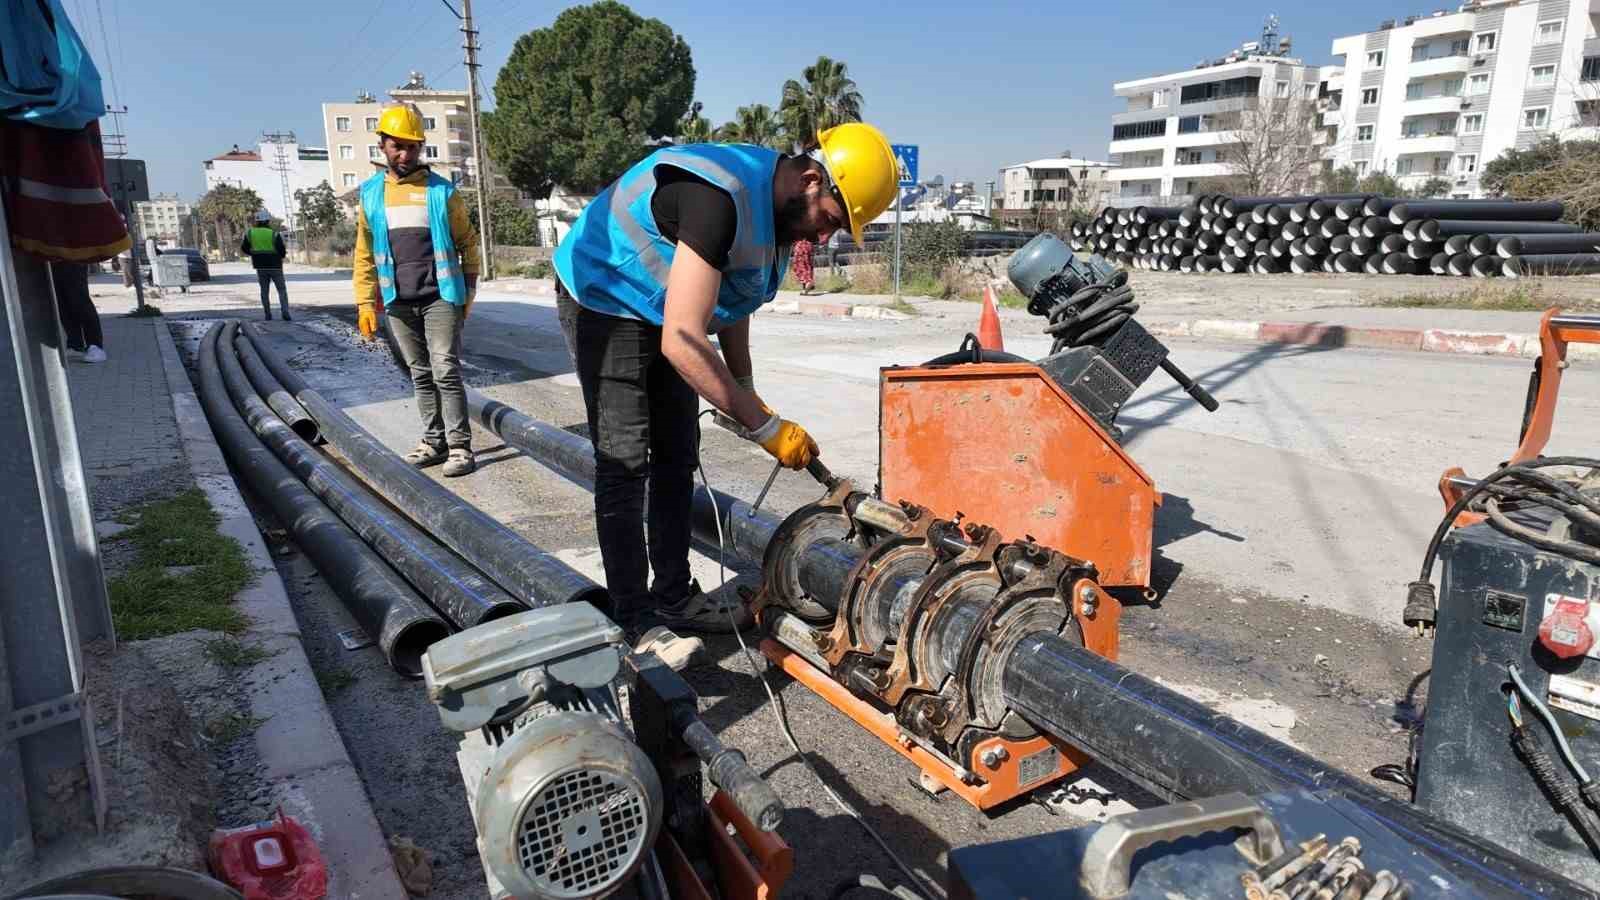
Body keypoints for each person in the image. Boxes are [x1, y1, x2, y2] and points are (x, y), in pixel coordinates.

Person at [553, 122, 898, 634]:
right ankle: (636, 619)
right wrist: (764, 425)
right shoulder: (718, 197)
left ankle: (674, 598)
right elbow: (682, 342)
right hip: (606, 294)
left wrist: (744, 385)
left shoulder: (777, 217)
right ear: (811, 181)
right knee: (625, 462)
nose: (825, 237)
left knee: (677, 455)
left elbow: (734, 296)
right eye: (831, 219)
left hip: (665, 311)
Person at [351, 102, 481, 478]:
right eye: (398, 146)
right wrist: (365, 303)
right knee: (420, 373)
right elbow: (364, 253)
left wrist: (468, 293)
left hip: (441, 296)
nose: (406, 155)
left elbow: (468, 244)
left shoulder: (442, 192)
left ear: (421, 147)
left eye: (412, 147)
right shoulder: (371, 194)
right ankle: (433, 441)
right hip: (397, 300)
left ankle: (460, 447)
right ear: (383, 146)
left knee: (445, 370)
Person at [50, 261, 106, 362]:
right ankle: (75, 344)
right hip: (52, 259)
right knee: (62, 303)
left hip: (72, 258)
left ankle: (95, 345)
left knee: (79, 300)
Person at [241, 210, 290, 320]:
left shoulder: (250, 233)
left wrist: (253, 254)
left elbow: (244, 248)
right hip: (275, 266)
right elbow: (282, 250)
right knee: (281, 290)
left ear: (257, 221)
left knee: (264, 290)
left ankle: (267, 314)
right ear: (268, 221)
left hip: (260, 266)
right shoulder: (274, 234)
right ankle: (285, 311)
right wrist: (281, 256)